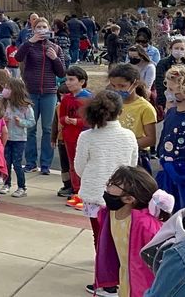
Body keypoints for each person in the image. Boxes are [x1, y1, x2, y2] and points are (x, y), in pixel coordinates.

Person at [92, 166, 173, 297]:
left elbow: (165, 261)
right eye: (110, 181)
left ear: (129, 199)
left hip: (145, 286)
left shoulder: (146, 226)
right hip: (126, 281)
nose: (107, 185)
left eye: (113, 184)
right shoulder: (110, 213)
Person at [74, 91, 139, 250]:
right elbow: (132, 166)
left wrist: (92, 177)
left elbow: (79, 167)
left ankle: (101, 268)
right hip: (121, 194)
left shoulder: (86, 136)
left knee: (98, 235)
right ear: (120, 112)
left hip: (94, 193)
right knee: (118, 235)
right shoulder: (129, 136)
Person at [16, 16, 66, 175]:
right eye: (38, 27)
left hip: (49, 92)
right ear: (33, 29)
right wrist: (30, 41)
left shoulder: (55, 48)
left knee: (47, 129)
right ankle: (31, 162)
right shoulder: (29, 46)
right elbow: (18, 57)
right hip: (31, 91)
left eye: (44, 27)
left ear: (49, 30)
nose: (41, 30)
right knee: (30, 128)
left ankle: (45, 164)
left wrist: (55, 58)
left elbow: (62, 72)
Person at [157, 66, 185, 209]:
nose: (168, 93)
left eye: (172, 90)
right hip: (168, 169)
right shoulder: (171, 112)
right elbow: (165, 137)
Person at [109, 64, 158, 174]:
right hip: (113, 153)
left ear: (135, 84)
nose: (117, 90)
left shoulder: (145, 107)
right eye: (113, 86)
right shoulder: (110, 104)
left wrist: (125, 143)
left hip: (137, 155)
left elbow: (151, 139)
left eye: (122, 86)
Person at [58, 67, 92, 210]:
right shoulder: (66, 99)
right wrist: (66, 120)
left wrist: (77, 122)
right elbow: (61, 117)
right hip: (69, 136)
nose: (68, 83)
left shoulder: (88, 98)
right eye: (67, 79)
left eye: (72, 80)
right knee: (73, 164)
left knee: (85, 165)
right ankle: (76, 191)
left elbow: (91, 120)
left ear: (82, 81)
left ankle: (86, 193)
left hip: (83, 136)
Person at [0, 78, 35, 198]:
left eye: (8, 88)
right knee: (6, 162)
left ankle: (22, 187)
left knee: (17, 163)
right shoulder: (4, 104)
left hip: (19, 138)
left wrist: (21, 122)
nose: (5, 90)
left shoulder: (25, 106)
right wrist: (2, 121)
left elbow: (31, 122)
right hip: (6, 137)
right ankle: (6, 183)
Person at [154, 37, 185, 109]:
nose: (179, 51)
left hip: (184, 97)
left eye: (182, 49)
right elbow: (159, 83)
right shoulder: (163, 63)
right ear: (171, 49)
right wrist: (162, 102)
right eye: (176, 48)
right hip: (168, 96)